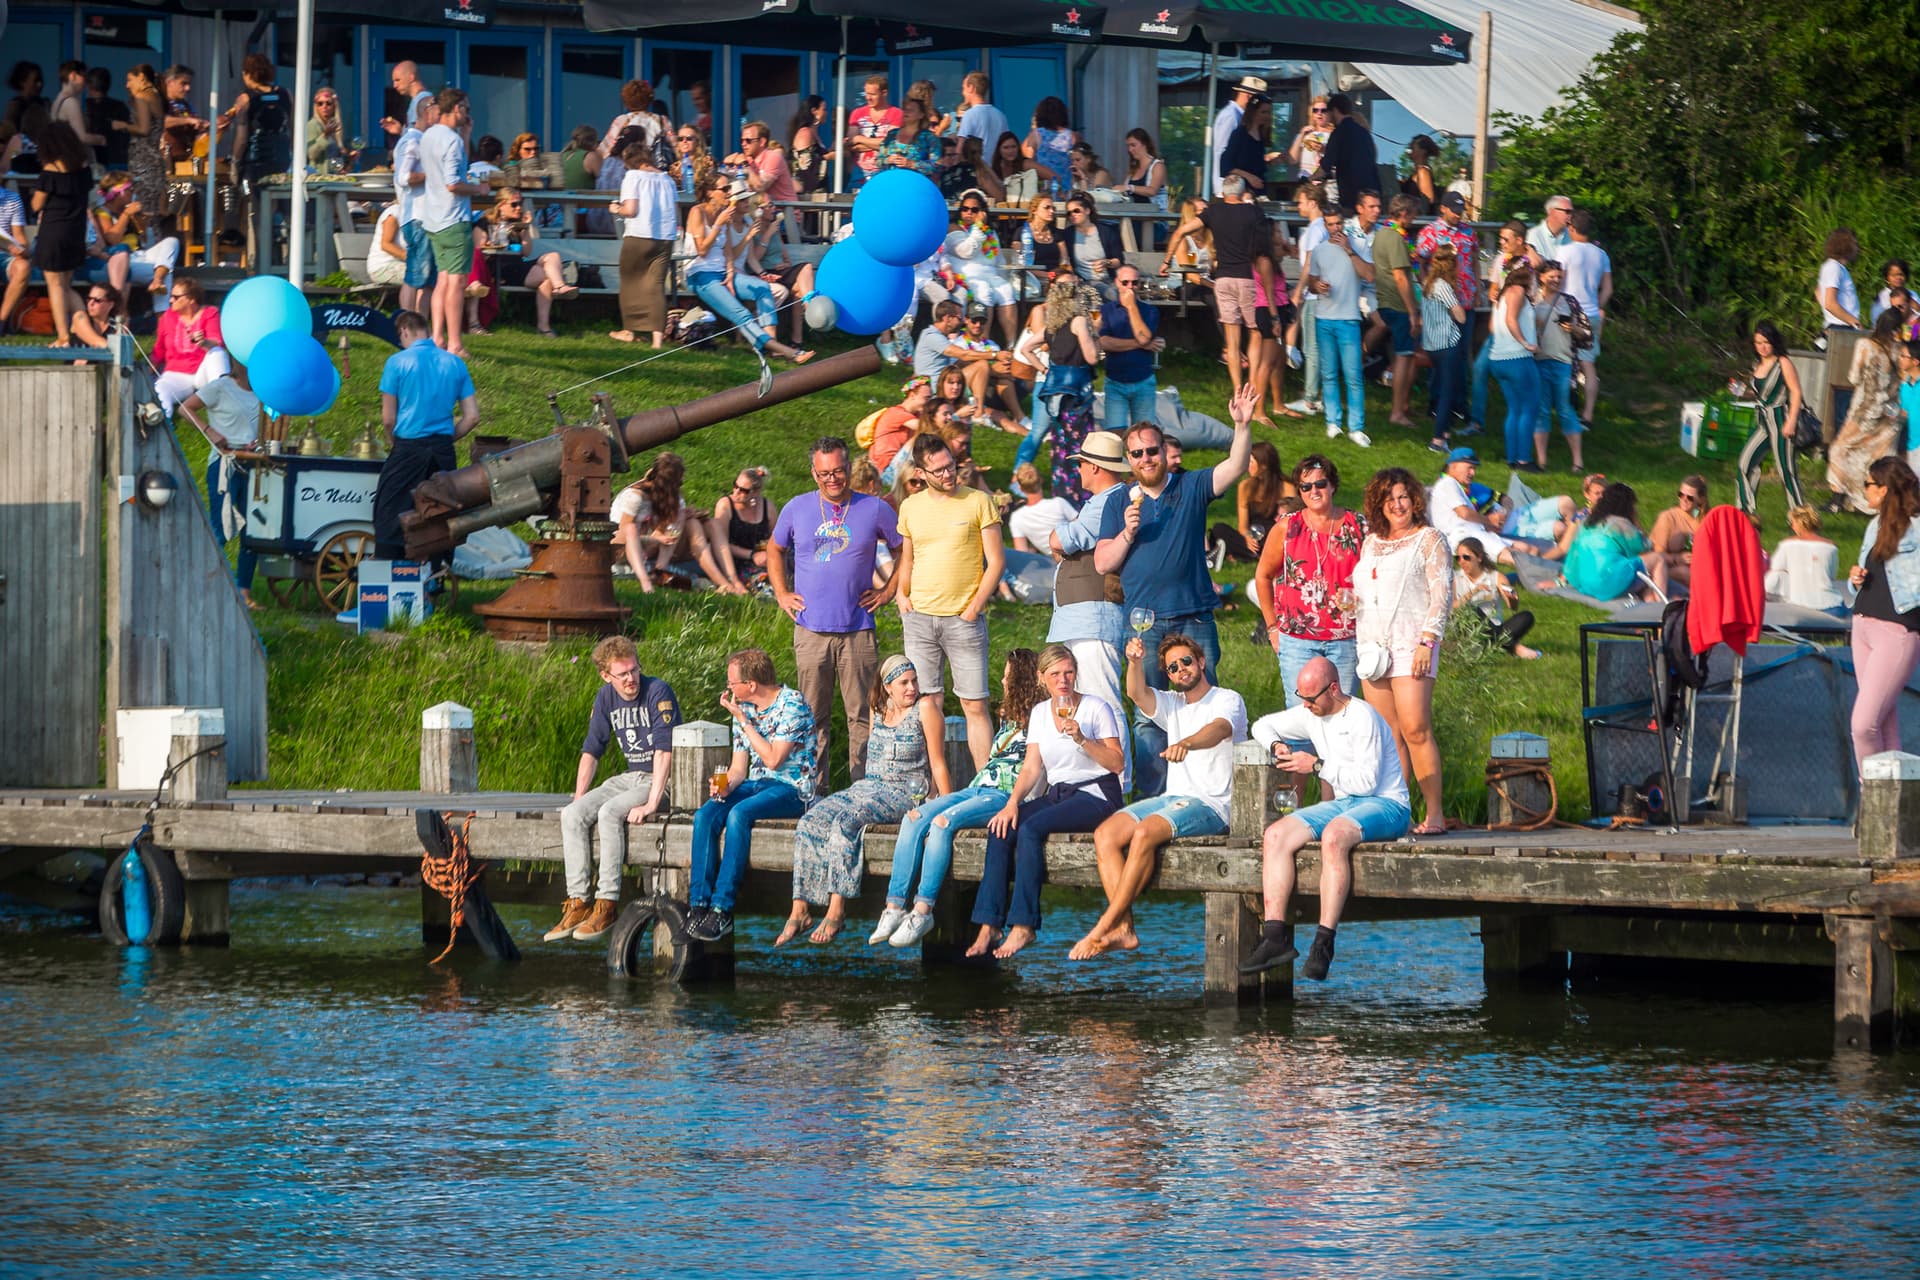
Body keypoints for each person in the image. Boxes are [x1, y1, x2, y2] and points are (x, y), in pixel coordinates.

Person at [1097, 384, 1256, 794]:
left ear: (1165, 453)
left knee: (1206, 706)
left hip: (1193, 614)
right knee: (1149, 716)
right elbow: (1102, 562)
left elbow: (1235, 467)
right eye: (1138, 453)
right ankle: (1153, 800)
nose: (1147, 458)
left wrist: (1241, 426)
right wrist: (1128, 533)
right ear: (1128, 459)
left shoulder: (1190, 487)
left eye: (1153, 450)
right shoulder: (1118, 501)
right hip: (1144, 621)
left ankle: (1213, 796)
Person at [1072, 631, 1248, 960]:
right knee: (1106, 834)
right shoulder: (1172, 703)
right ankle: (1124, 929)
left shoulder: (1227, 699)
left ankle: (1102, 926)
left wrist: (1187, 743)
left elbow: (1221, 729)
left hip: (1213, 805)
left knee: (1144, 833)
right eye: (1172, 667)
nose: (1181, 669)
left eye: (1186, 662)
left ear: (1201, 662)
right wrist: (1135, 662)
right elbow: (1136, 693)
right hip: (1175, 798)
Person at [1240, 656, 1412, 980]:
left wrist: (1316, 766)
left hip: (1387, 804)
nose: (1304, 706)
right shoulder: (1311, 713)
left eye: (1310, 698)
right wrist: (1276, 744)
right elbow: (1261, 725)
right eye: (1300, 697)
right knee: (1275, 835)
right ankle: (1275, 937)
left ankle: (1323, 943)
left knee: (1334, 836)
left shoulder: (1363, 717)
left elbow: (1368, 783)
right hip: (1346, 803)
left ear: (1333, 689)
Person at [780, 654, 950, 946]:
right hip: (867, 787)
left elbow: (937, 763)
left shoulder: (926, 709)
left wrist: (946, 806)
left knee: (847, 822)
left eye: (914, 681)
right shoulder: (878, 708)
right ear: (887, 687)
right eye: (904, 683)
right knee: (812, 819)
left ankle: (836, 909)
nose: (912, 688)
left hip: (903, 794)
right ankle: (801, 908)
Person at [875, 648, 1040, 948]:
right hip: (978, 786)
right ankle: (894, 906)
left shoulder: (1041, 719)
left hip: (1003, 795)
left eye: (1007, 677)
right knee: (913, 818)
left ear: (1021, 681)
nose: (1003, 682)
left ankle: (923, 910)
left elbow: (1037, 770)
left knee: (941, 822)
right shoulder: (1008, 717)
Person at [967, 643, 1124, 959]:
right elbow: (1031, 767)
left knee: (1031, 829)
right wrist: (1012, 803)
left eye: (1069, 672)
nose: (1063, 680)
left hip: (1096, 793)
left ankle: (1024, 925)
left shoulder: (1096, 708)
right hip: (1059, 794)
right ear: (1041, 678)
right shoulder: (1039, 713)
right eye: (1055, 674)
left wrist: (1082, 739)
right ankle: (990, 923)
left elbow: (1117, 763)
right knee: (1001, 827)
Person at [770, 436, 901, 784]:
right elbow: (774, 548)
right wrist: (782, 593)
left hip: (858, 629)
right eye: (825, 473)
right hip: (811, 629)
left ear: (848, 469)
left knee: (863, 715)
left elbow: (905, 548)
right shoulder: (796, 507)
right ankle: (813, 789)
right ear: (814, 473)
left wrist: (889, 590)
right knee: (813, 716)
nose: (833, 479)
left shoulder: (874, 508)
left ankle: (864, 789)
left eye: (839, 471)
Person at [544, 636, 679, 944]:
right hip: (629, 777)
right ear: (606, 675)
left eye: (634, 670)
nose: (631, 679)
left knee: (609, 813)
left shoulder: (658, 691)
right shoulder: (605, 697)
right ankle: (578, 902)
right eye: (623, 674)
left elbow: (664, 753)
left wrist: (653, 804)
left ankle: (607, 903)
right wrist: (580, 797)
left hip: (659, 780)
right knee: (573, 814)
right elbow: (592, 751)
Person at [683, 649, 818, 943]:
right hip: (756, 785)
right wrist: (726, 786)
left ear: (751, 684)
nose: (729, 688)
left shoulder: (791, 704)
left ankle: (722, 909)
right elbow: (739, 769)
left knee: (738, 814)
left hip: (793, 789)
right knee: (706, 813)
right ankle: (698, 905)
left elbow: (773, 760)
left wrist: (744, 720)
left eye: (732, 683)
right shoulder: (744, 708)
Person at [897, 433, 1005, 771]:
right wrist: (901, 594)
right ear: (920, 473)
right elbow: (908, 558)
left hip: (963, 618)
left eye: (951, 466)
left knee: (975, 704)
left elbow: (997, 562)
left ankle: (987, 785)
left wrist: (973, 608)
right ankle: (932, 787)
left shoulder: (978, 501)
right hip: (919, 617)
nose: (948, 474)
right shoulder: (911, 505)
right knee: (927, 704)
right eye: (939, 470)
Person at [1354, 468, 1451, 834]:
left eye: (1403, 497)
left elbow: (1442, 595)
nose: (1397, 505)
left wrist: (1429, 640)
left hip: (1413, 644)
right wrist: (1349, 605)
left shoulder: (1429, 539)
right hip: (1373, 647)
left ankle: (1435, 814)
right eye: (1389, 499)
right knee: (1388, 733)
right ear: (1379, 505)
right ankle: (1399, 813)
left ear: (1415, 500)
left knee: (1416, 729)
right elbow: (1366, 592)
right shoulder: (1371, 542)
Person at [372, 310, 479, 559]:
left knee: (389, 513)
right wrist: (445, 439)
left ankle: (392, 571)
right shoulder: (455, 363)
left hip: (408, 447)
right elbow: (472, 416)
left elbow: (388, 419)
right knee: (439, 514)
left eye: (401, 338)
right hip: (442, 451)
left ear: (404, 331)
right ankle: (436, 576)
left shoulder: (397, 363)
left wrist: (394, 445)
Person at [1160, 175, 1270, 405]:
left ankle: (1238, 390)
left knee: (1232, 338)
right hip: (1246, 278)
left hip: (1223, 280)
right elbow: (1265, 243)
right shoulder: (1253, 212)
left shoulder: (1214, 212)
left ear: (1223, 192)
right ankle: (1252, 386)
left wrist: (1166, 261)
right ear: (1241, 192)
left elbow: (1180, 232)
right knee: (1255, 332)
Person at [684, 176, 814, 365]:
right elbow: (702, 250)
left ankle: (771, 344)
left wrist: (729, 273)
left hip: (723, 272)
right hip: (700, 275)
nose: (728, 192)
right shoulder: (698, 212)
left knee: (763, 288)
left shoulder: (724, 213)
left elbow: (728, 252)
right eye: (724, 189)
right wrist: (718, 224)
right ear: (709, 192)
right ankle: (788, 352)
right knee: (740, 313)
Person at [1848, 457, 1920, 771]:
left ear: (1885, 488)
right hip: (1861, 626)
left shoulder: (1917, 527)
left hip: (1897, 631)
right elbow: (1864, 576)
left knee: (1863, 725)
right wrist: (1855, 580)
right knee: (1883, 724)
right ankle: (1892, 810)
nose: (1864, 489)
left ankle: (1871, 803)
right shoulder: (1873, 525)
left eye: (1868, 484)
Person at [179, 362, 264, 608]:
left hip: (253, 464)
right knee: (220, 526)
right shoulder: (220, 387)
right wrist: (210, 431)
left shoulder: (264, 391)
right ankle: (201, 586)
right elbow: (185, 409)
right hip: (224, 464)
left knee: (253, 529)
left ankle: (244, 592)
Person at [609, 452, 742, 593]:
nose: (680, 487)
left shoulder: (667, 496)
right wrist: (654, 538)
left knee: (690, 520)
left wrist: (684, 516)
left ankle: (661, 570)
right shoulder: (635, 497)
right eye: (679, 483)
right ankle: (645, 581)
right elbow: (622, 532)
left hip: (649, 546)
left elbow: (663, 528)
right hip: (622, 548)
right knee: (631, 528)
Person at [418, 88, 487, 356]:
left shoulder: (430, 135)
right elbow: (453, 183)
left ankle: (437, 338)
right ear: (456, 108)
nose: (468, 114)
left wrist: (467, 135)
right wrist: (478, 190)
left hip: (433, 217)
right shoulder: (452, 141)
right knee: (457, 283)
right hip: (454, 218)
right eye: (466, 109)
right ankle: (456, 343)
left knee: (443, 281)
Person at [1303, 204, 1374, 448]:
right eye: (1330, 224)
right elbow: (1311, 282)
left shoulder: (1358, 244)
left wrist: (1350, 250)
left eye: (1338, 224)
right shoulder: (1320, 250)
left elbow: (1370, 275)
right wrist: (1316, 286)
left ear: (1344, 223)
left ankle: (1356, 427)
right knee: (1329, 374)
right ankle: (1333, 422)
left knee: (1353, 376)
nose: (1335, 228)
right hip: (1324, 318)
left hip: (1349, 319)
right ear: (1325, 225)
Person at [1029, 276, 1102, 503]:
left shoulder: (1052, 327)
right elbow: (1091, 357)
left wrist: (1043, 369)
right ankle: (1082, 497)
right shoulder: (1078, 321)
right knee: (1081, 447)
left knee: (1060, 449)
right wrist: (1095, 334)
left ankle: (1063, 497)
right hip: (1076, 396)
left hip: (1056, 399)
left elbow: (1025, 348)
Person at [1827, 310, 1906, 513]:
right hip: (1890, 413)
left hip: (1865, 410)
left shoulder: (1865, 345)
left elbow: (1854, 377)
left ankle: (1839, 498)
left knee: (1839, 449)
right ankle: (1871, 501)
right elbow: (1903, 380)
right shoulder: (1899, 350)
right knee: (1877, 457)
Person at [475, 188, 578, 338]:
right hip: (498, 268)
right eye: (515, 204)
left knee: (553, 257)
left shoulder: (517, 224)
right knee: (545, 278)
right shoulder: (485, 222)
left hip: (517, 266)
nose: (519, 208)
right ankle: (544, 326)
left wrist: (526, 228)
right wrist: (490, 242)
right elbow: (479, 249)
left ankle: (559, 288)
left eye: (521, 204)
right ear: (502, 204)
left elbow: (526, 251)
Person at [1728, 321, 1805, 513]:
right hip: (1762, 420)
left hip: (1781, 417)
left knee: (1786, 471)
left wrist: (1792, 421)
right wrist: (1739, 390)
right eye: (1758, 343)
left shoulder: (1783, 362)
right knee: (1745, 463)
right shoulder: (1757, 364)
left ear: (1774, 342)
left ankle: (1800, 516)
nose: (1762, 347)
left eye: (1766, 342)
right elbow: (1759, 394)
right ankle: (1745, 511)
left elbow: (1795, 392)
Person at [609, 136, 676, 348]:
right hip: (665, 238)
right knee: (655, 286)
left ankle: (629, 330)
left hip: (639, 234)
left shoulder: (633, 177)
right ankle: (657, 340)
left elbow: (631, 210)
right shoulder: (667, 179)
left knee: (630, 282)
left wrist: (615, 209)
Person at [27, 121, 88, 348]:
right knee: (66, 284)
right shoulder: (84, 167)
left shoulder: (49, 171)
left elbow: (36, 205)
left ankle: (63, 336)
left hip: (53, 231)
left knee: (55, 285)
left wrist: (36, 194)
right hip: (76, 231)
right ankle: (83, 327)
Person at [1564, 481, 1668, 603]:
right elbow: (1644, 549)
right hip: (1606, 581)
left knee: (1637, 572)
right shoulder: (1620, 523)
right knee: (1658, 559)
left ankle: (1651, 600)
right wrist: (1636, 522)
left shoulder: (1586, 522)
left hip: (1585, 582)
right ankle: (1662, 603)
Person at [1530, 257, 1587, 469]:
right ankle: (1542, 461)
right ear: (1541, 277)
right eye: (1551, 276)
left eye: (1559, 276)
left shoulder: (1570, 302)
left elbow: (1586, 333)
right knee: (1542, 411)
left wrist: (1574, 329)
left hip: (1563, 362)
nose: (1556, 280)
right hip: (1538, 361)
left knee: (1565, 410)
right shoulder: (1532, 300)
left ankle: (1577, 462)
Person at [944, 192, 1019, 345]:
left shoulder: (989, 232)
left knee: (1006, 290)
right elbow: (966, 251)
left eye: (974, 210)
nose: (969, 213)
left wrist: (1003, 277)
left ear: (982, 212)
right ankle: (983, 343)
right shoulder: (953, 228)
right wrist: (978, 227)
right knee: (985, 290)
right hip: (965, 276)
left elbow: (999, 260)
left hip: (991, 275)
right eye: (965, 209)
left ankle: (1012, 345)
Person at [1098, 264, 1164, 436]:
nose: (1130, 287)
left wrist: (1131, 307)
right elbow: (1104, 343)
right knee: (1114, 436)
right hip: (1115, 382)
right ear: (1116, 283)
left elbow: (1143, 337)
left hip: (1143, 381)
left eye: (1135, 283)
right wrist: (1142, 344)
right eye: (1125, 282)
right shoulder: (1106, 311)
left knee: (1145, 434)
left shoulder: (1149, 311)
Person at [1559, 209, 1612, 424]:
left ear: (1572, 228)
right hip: (1591, 314)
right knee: (1588, 366)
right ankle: (1588, 415)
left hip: (1568, 313)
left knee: (1563, 361)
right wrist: (1597, 306)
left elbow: (1557, 282)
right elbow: (1608, 289)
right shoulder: (1601, 255)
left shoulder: (1564, 252)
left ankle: (1565, 407)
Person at [1487, 260, 1542, 468]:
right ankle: (1524, 459)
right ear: (1527, 278)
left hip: (1498, 358)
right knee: (1530, 407)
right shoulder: (1518, 291)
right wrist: (1525, 342)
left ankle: (1512, 458)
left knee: (1515, 409)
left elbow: (1493, 327)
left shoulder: (1501, 295)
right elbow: (1511, 320)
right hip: (1518, 358)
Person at [1375, 194, 1422, 429]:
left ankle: (1403, 405)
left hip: (1387, 301)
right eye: (1413, 215)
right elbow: (1401, 277)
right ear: (1403, 214)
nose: (1414, 220)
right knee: (1403, 357)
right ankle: (1397, 412)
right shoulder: (1394, 237)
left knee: (1407, 356)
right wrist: (1413, 311)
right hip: (1398, 304)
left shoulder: (1382, 233)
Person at [389, 91, 437, 315]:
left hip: (429, 217)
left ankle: (421, 326)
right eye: (438, 110)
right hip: (416, 217)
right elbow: (403, 177)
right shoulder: (411, 141)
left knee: (428, 279)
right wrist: (434, 174)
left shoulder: (426, 140)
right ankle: (405, 323)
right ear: (427, 111)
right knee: (416, 274)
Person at [151, 274, 227, 413]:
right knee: (160, 391)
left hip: (203, 373)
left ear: (191, 299)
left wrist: (204, 342)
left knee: (217, 353)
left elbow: (217, 341)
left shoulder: (210, 313)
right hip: (176, 374)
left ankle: (223, 403)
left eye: (176, 297)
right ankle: (162, 426)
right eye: (171, 296)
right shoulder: (167, 317)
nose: (170, 300)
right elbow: (159, 349)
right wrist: (147, 372)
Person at [1453, 537, 1539, 659]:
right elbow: (1452, 607)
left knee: (1526, 617)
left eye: (1466, 557)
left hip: (1495, 626)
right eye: (1458, 558)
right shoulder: (1455, 578)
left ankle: (1492, 644)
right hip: (1467, 629)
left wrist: (1512, 598)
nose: (1461, 561)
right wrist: (1473, 592)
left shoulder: (1495, 577)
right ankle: (1514, 648)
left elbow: (1512, 607)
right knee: (1472, 611)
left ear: (1479, 557)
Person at [1209, 440, 1292, 565]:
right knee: (1218, 529)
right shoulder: (1245, 486)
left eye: (1251, 462)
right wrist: (1246, 536)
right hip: (1253, 537)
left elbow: (1291, 523)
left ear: (1264, 466)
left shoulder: (1286, 488)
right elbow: (1242, 525)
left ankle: (1242, 554)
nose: (1247, 466)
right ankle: (1251, 554)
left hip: (1275, 537)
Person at [1421, 241, 1468, 451]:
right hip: (1447, 345)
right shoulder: (1443, 286)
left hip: (1432, 345)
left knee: (1442, 389)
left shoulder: (1427, 284)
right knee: (1448, 392)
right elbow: (1461, 316)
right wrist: (1457, 309)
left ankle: (1445, 434)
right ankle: (1438, 439)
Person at [1766, 504, 1847, 616]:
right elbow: (1831, 576)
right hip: (1832, 605)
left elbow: (1775, 575)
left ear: (1799, 523)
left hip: (1801, 606)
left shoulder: (1786, 545)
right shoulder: (1831, 547)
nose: (1792, 526)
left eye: (1792, 523)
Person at [708, 466, 779, 593]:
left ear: (756, 492)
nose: (736, 492)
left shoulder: (768, 507)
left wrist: (768, 553)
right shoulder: (726, 505)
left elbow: (776, 538)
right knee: (767, 585)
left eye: (743, 491)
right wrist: (752, 555)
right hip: (736, 561)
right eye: (735, 486)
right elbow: (721, 545)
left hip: (764, 557)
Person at [110, 68, 165, 217]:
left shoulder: (142, 96)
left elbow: (144, 129)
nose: (127, 85)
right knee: (153, 209)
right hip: (155, 160)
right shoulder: (156, 96)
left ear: (141, 77)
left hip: (143, 160)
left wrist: (122, 126)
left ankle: (146, 239)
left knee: (143, 209)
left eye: (129, 80)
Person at [1316, 93, 1374, 212]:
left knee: (1350, 227)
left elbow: (1325, 167)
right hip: (1372, 193)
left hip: (1352, 197)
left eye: (1328, 111)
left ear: (1335, 110)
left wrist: (1308, 179)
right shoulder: (1364, 133)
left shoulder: (1338, 134)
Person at [1210, 75, 1267, 194]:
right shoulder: (1231, 116)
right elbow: (1223, 152)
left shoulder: (1240, 117)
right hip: (1229, 187)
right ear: (1249, 97)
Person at [845, 72, 901, 191]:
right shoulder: (857, 113)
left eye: (872, 94)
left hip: (884, 173)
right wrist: (878, 144)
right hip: (858, 174)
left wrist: (860, 139)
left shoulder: (896, 114)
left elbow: (889, 144)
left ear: (884, 93)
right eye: (866, 93)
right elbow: (851, 143)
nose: (868, 98)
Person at [1650, 474, 1707, 587]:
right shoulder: (1668, 517)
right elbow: (1657, 554)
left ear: (1700, 500)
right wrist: (1677, 559)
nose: (1684, 499)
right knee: (1688, 573)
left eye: (1690, 497)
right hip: (1665, 569)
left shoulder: (1703, 520)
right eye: (1681, 495)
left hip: (1695, 569)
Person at [599, 79, 668, 165]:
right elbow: (676, 147)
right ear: (649, 99)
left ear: (627, 100)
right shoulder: (661, 120)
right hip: (655, 170)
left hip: (628, 171)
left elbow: (603, 151)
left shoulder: (622, 120)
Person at [1218, 96, 1274, 197]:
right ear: (1253, 112)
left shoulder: (1261, 136)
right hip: (1241, 193)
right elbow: (1226, 165)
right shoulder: (1240, 134)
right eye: (1263, 112)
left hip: (1259, 192)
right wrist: (1249, 177)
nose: (1267, 116)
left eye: (1269, 112)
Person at [51, 62, 103, 167]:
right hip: (74, 163)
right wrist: (103, 139)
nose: (86, 83)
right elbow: (82, 137)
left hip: (62, 161)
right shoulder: (71, 102)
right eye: (84, 77)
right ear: (73, 76)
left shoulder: (57, 101)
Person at [1022, 96, 1073, 193]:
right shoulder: (1072, 136)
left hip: (1045, 188)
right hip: (1067, 188)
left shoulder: (1036, 134)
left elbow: (1028, 162)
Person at [877, 96, 937, 176]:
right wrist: (888, 160)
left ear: (921, 115)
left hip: (914, 183)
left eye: (911, 110)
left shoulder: (929, 137)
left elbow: (936, 165)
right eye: (905, 109)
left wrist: (911, 164)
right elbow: (878, 161)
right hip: (891, 182)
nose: (906, 112)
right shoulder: (892, 134)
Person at [1818, 228, 1863, 332]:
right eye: (1855, 244)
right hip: (1841, 326)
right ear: (1845, 246)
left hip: (1839, 325)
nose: (1857, 248)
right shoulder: (1834, 267)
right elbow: (1830, 303)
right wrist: (1855, 323)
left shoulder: (1832, 266)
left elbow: (1818, 292)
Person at [952, 71, 1009, 154]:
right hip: (995, 166)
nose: (962, 93)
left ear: (971, 88)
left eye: (963, 88)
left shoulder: (970, 114)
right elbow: (1006, 142)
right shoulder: (1000, 115)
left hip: (977, 165)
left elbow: (960, 147)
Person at [379, 59, 427, 148]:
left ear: (411, 77)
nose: (394, 85)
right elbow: (414, 134)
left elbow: (418, 140)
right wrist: (401, 130)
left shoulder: (423, 100)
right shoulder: (415, 101)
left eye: (398, 80)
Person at [1120, 128, 1167, 211]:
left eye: (1133, 145)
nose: (1130, 149)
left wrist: (1129, 187)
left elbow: (1152, 191)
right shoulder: (1133, 169)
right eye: (1128, 146)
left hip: (1155, 219)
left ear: (1145, 144)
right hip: (1134, 216)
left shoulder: (1158, 166)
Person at [305, 85, 350, 170]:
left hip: (331, 178)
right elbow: (311, 154)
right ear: (316, 107)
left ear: (334, 106)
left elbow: (334, 158)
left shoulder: (335, 127)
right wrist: (325, 135)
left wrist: (349, 160)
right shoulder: (312, 125)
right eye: (320, 104)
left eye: (328, 103)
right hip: (317, 179)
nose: (324, 106)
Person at [1286, 95, 1330, 182]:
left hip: (1327, 182)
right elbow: (1292, 160)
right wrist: (1301, 135)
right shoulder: (1306, 133)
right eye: (1315, 110)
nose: (1319, 113)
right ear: (1312, 114)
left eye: (1323, 110)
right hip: (1306, 181)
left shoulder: (1335, 134)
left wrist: (1324, 149)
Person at [1526, 194, 1573, 267]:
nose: (1570, 215)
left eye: (1572, 212)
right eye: (1567, 211)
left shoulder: (1572, 234)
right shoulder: (1534, 235)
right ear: (1551, 211)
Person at [668, 124, 713, 199]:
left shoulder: (707, 161)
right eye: (680, 139)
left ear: (697, 142)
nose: (684, 141)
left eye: (689, 138)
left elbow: (710, 185)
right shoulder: (675, 166)